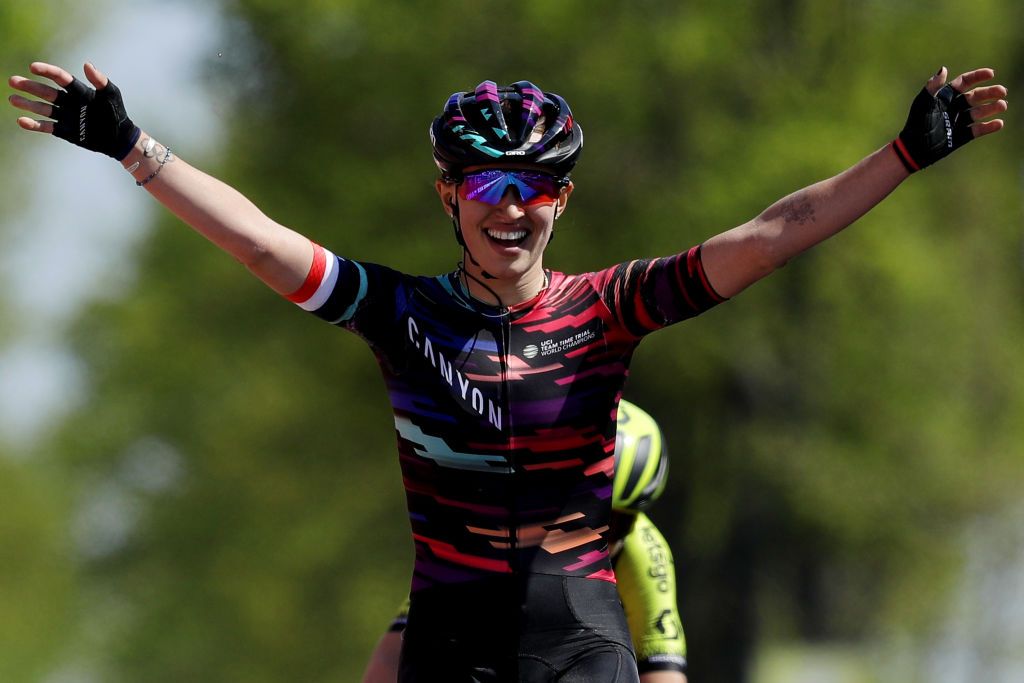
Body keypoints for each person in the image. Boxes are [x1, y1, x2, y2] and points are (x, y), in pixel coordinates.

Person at [8, 61, 1006, 682]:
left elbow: (767, 236)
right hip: (446, 639)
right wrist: (137, 150)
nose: (511, 208)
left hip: (578, 637)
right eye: (488, 184)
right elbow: (267, 245)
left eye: (537, 187)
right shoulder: (404, 314)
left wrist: (899, 156)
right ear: (449, 193)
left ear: (563, 199)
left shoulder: (607, 308)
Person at [361, 399, 689, 683]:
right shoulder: (496, 532)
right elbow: (391, 660)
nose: (590, 536)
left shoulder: (645, 552)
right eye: (577, 514)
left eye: (612, 524)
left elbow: (662, 669)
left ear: (632, 524)